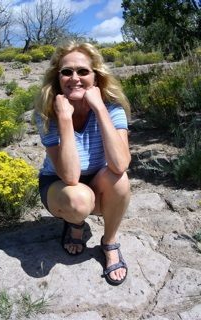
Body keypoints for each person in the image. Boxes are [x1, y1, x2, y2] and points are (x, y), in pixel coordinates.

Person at [35, 41, 131, 286]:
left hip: (98, 181)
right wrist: (65, 119)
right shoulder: (47, 114)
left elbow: (119, 164)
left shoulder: (112, 109)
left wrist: (99, 108)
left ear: (96, 77)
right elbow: (69, 176)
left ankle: (109, 242)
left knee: (120, 179)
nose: (74, 77)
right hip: (61, 186)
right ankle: (75, 226)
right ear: (58, 78)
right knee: (78, 198)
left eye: (83, 71)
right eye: (67, 72)